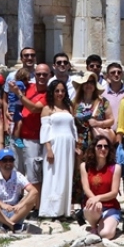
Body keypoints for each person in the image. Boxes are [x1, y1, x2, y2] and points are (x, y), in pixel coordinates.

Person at [39, 79, 78, 219]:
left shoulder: (69, 107)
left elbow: (73, 129)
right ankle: (50, 210)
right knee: (53, 176)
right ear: (52, 92)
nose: (60, 93)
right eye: (57, 91)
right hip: (55, 145)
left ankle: (64, 210)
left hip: (68, 146)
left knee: (66, 176)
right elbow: (44, 131)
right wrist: (49, 149)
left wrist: (76, 145)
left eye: (62, 91)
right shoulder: (47, 109)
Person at [15, 63, 53, 191]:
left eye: (44, 74)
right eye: (38, 74)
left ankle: (36, 206)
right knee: (16, 170)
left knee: (33, 174)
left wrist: (19, 94)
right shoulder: (28, 86)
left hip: (33, 139)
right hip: (17, 137)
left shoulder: (49, 94)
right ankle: (16, 201)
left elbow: (34, 108)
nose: (41, 77)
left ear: (50, 76)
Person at [0, 149, 38, 233]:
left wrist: (20, 205)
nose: (8, 163)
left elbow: (34, 191)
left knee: (31, 199)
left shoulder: (18, 175)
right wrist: (2, 204)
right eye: (5, 160)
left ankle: (5, 226)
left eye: (11, 160)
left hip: (14, 212)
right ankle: (12, 226)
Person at [80, 137, 122, 239]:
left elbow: (114, 192)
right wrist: (94, 200)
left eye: (106, 147)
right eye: (99, 146)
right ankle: (94, 226)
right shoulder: (85, 166)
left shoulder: (115, 168)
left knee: (106, 234)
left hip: (111, 207)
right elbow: (86, 188)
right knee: (91, 208)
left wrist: (98, 198)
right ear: (93, 148)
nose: (103, 149)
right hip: (93, 207)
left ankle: (107, 223)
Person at [73, 71, 114, 155]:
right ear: (82, 85)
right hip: (78, 142)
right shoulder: (75, 102)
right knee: (80, 167)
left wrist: (98, 123)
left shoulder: (102, 101)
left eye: (91, 82)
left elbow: (111, 120)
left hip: (97, 141)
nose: (89, 85)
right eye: (86, 82)